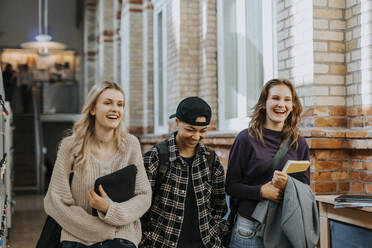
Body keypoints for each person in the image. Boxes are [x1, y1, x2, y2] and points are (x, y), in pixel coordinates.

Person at [44, 81, 152, 248]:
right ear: (93, 109)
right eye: (108, 103)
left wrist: (111, 209)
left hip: (121, 237)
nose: (115, 109)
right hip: (77, 237)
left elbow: (144, 195)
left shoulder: (131, 145)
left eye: (120, 104)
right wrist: (98, 229)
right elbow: (55, 200)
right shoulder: (70, 146)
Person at [225, 79, 311, 248]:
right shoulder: (246, 139)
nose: (281, 104)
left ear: (293, 105)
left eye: (287, 100)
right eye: (276, 98)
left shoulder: (299, 143)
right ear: (264, 103)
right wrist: (261, 191)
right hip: (248, 229)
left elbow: (305, 189)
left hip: (284, 228)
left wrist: (288, 184)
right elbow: (231, 186)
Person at [140, 97, 229, 248]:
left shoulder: (211, 159)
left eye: (203, 131)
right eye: (190, 129)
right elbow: (140, 208)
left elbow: (219, 206)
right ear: (176, 123)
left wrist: (214, 233)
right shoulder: (155, 157)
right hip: (161, 243)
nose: (196, 136)